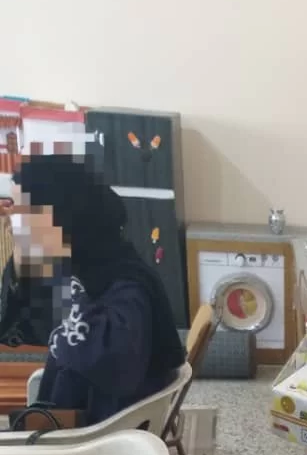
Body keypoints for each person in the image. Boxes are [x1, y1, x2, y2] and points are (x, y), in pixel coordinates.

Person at [4, 153, 185, 423]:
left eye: (20, 212)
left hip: (96, 438)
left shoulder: (125, 288)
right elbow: (15, 326)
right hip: (71, 421)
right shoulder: (83, 266)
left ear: (57, 217)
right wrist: (22, 263)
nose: (9, 223)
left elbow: (114, 369)